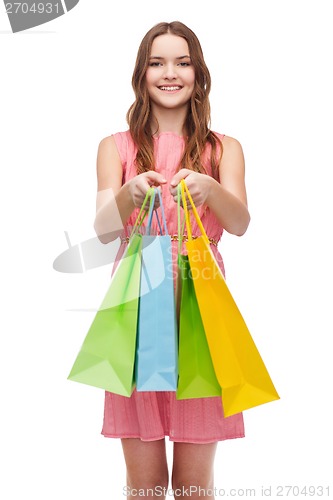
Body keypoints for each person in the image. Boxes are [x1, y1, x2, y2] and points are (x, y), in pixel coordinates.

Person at [94, 21, 250, 500]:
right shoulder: (114, 146)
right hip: (138, 316)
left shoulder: (224, 148)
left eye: (182, 62)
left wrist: (212, 189)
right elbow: (103, 230)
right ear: (141, 73)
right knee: (145, 487)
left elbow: (240, 222)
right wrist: (126, 192)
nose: (170, 73)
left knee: (193, 488)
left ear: (198, 73)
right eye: (157, 62)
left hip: (200, 317)